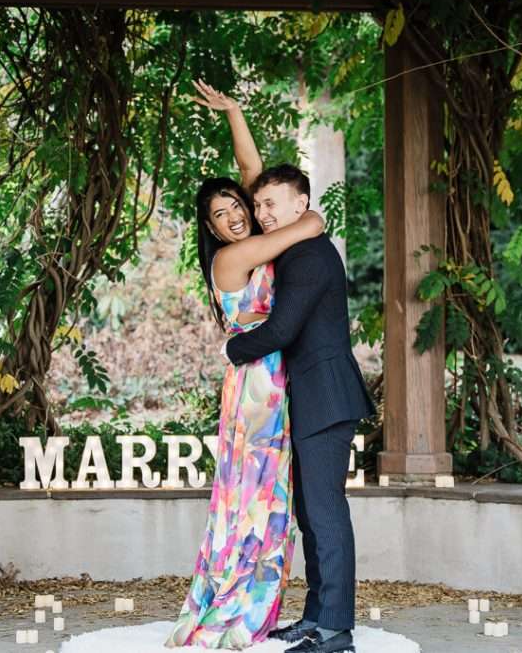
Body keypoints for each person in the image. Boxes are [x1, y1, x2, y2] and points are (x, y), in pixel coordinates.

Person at [165, 83, 326, 649]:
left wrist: (235, 112)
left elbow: (256, 177)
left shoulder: (257, 233)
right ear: (210, 229)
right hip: (257, 382)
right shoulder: (233, 259)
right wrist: (308, 221)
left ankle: (259, 595)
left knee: (271, 491)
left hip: (277, 373)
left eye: (239, 206)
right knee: (254, 493)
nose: (236, 216)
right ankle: (240, 598)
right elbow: (299, 225)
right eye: (222, 214)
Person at [224, 164, 375, 653]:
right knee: (311, 512)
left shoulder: (309, 256)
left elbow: (283, 331)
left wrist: (232, 348)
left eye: (273, 204)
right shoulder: (297, 251)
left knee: (325, 511)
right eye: (259, 205)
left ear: (301, 204)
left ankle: (336, 629)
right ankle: (317, 617)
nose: (263, 214)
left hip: (326, 395)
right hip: (313, 395)